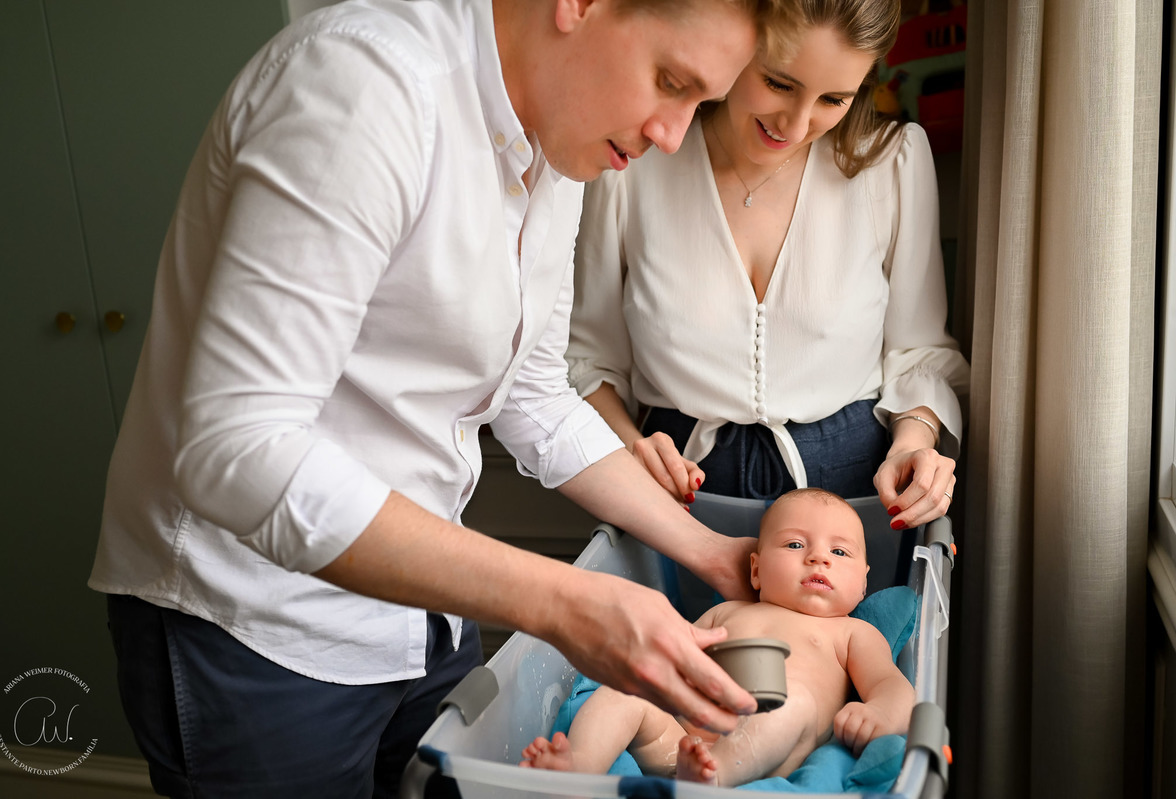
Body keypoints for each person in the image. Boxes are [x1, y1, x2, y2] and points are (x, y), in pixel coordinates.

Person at [86, 0, 799, 796]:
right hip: (255, 631)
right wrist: (564, 602)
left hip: (419, 611)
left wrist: (705, 548)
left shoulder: (562, 138)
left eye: (700, 102)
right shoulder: (365, 85)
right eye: (670, 81)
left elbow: (532, 394)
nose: (671, 134)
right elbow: (239, 449)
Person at [565, 0, 971, 532]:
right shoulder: (633, 161)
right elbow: (587, 360)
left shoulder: (892, 161)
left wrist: (914, 443)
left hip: (857, 493)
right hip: (674, 488)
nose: (796, 125)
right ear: (736, 42)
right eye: (779, 83)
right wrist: (629, 449)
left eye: (833, 99)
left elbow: (919, 351)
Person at [520, 487, 914, 785]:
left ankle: (715, 777)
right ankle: (578, 768)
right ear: (756, 570)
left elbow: (892, 685)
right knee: (623, 693)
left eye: (840, 553)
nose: (818, 557)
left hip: (768, 753)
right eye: (795, 544)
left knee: (791, 701)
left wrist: (878, 714)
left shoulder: (852, 633)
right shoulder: (728, 611)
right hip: (680, 741)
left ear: (864, 584)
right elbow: (674, 655)